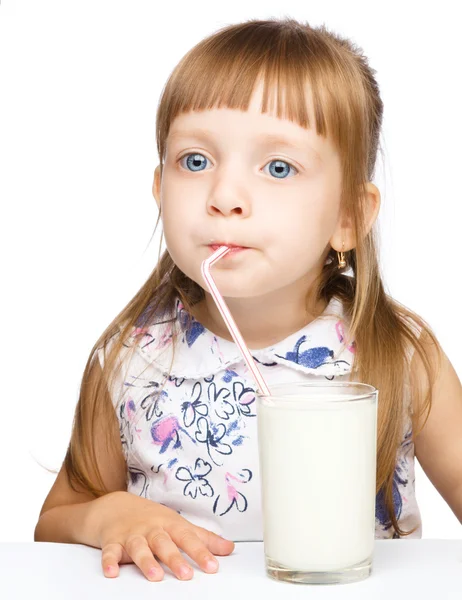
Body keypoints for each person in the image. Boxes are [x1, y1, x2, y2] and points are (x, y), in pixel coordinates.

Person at [34, 16, 462, 583]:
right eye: (195, 161)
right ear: (160, 189)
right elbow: (53, 523)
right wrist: (107, 514)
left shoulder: (400, 356)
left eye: (278, 167)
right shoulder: (129, 361)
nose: (225, 196)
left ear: (348, 217)